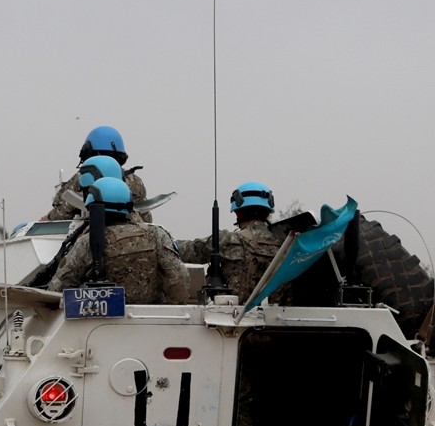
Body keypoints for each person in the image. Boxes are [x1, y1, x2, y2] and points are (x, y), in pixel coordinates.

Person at [47, 177, 188, 304]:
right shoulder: (156, 234)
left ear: (93, 207)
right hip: (152, 321)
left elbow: (59, 288)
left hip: (102, 323)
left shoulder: (86, 242)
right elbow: (178, 277)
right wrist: (170, 307)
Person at [176, 181, 287, 304]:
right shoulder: (287, 244)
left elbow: (187, 251)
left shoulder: (227, 240)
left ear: (238, 212)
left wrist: (160, 239)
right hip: (278, 319)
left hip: (232, 318)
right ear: (267, 212)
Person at [44, 126, 151, 222]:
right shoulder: (135, 181)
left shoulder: (84, 176)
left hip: (94, 236)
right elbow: (147, 218)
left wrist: (46, 220)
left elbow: (60, 214)